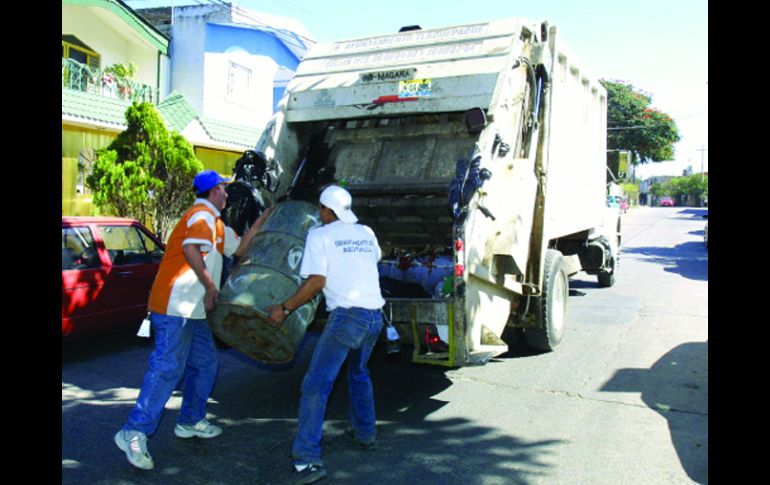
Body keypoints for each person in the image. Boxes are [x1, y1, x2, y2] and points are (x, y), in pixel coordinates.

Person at [114, 169, 271, 470]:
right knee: (167, 369)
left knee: (205, 364)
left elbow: (239, 249)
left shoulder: (215, 222)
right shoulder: (201, 215)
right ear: (213, 191)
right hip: (175, 307)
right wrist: (211, 287)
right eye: (224, 188)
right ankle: (133, 431)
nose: (227, 193)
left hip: (193, 311)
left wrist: (262, 219)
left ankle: (189, 421)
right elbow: (190, 249)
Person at [266, 185, 385, 485]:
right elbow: (371, 261)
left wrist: (284, 307)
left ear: (326, 210)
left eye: (321, 208)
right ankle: (366, 432)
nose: (319, 213)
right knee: (358, 373)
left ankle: (307, 460)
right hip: (375, 317)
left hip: (347, 318)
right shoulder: (366, 232)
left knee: (315, 385)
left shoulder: (319, 235)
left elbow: (316, 281)